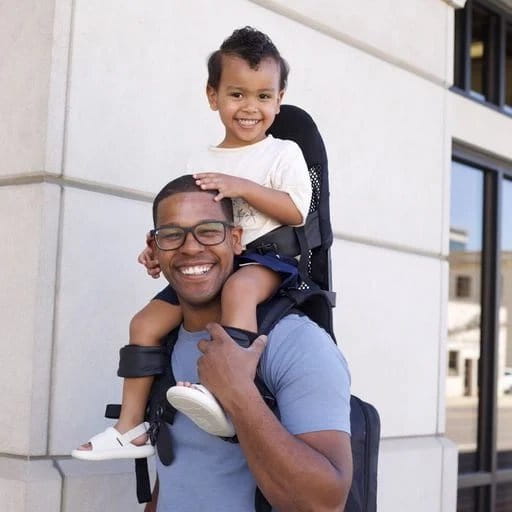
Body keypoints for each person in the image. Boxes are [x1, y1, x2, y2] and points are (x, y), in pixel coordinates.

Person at [73, 26, 312, 458]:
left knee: (239, 292)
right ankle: (131, 429)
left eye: (263, 96)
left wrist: (242, 186)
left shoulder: (283, 153)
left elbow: (296, 211)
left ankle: (226, 390)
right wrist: (160, 250)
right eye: (237, 94)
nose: (250, 107)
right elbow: (183, 217)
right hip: (211, 258)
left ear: (279, 99)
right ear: (212, 96)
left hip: (266, 259)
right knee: (145, 323)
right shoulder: (200, 160)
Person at [144, 175, 352, 511]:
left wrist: (238, 392)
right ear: (154, 248)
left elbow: (324, 505)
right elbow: (176, 472)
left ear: (236, 240)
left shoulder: (296, 343)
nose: (191, 247)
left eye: (209, 231)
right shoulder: (162, 341)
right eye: (171, 235)